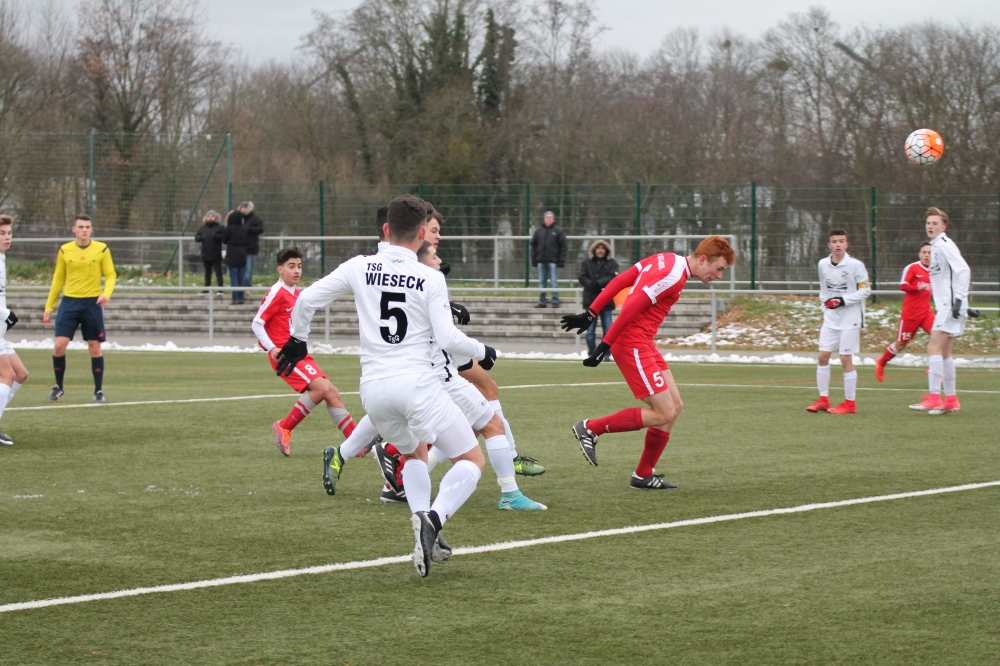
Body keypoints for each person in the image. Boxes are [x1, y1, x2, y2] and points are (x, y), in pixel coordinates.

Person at [279, 194, 496, 577]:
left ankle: (421, 526)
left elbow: (306, 299)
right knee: (472, 460)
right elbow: (448, 338)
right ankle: (434, 520)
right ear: (421, 234)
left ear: (385, 229)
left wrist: (298, 340)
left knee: (414, 455)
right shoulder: (430, 277)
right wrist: (484, 350)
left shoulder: (359, 266)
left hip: (374, 391)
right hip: (418, 385)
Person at [561, 237, 735, 489]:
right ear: (703, 259)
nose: (718, 276)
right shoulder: (673, 277)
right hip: (631, 343)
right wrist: (606, 343)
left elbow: (621, 280)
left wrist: (591, 312)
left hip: (643, 342)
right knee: (664, 412)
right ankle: (591, 428)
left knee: (675, 406)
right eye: (718, 269)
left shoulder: (666, 258)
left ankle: (643, 474)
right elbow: (631, 305)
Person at [424, 206, 545, 476]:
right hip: (431, 358)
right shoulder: (414, 264)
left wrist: (447, 304)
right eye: (434, 230)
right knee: (463, 417)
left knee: (484, 397)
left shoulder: (424, 264)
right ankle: (391, 463)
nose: (438, 236)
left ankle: (510, 460)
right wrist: (481, 350)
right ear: (419, 231)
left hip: (441, 354)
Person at [253, 246, 357, 456]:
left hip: (298, 353)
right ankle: (284, 427)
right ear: (280, 269)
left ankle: (357, 441)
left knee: (331, 392)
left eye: (299, 266)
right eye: (291, 266)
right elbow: (257, 323)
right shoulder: (277, 293)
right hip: (285, 356)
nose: (296, 271)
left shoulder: (297, 294)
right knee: (320, 389)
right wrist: (272, 348)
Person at [43, 214, 116, 404]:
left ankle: (98, 391)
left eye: (87, 227)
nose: (84, 230)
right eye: (81, 227)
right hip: (70, 303)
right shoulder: (65, 250)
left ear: (91, 230)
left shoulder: (102, 249)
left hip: (92, 303)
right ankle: (58, 387)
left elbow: (110, 274)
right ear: (74, 230)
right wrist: (49, 306)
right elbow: (58, 279)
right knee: (59, 345)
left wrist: (106, 293)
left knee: (94, 346)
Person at [909, 207, 971, 415]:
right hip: (949, 304)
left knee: (933, 348)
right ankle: (951, 400)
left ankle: (934, 398)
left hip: (949, 306)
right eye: (928, 223)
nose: (930, 226)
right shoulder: (935, 246)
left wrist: (959, 300)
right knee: (944, 353)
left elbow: (963, 270)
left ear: (943, 227)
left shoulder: (944, 244)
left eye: (935, 223)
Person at [805, 229, 871, 415]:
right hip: (831, 319)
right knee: (822, 356)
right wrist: (825, 305)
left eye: (841, 241)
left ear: (847, 244)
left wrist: (842, 301)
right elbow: (824, 289)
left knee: (845, 358)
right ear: (829, 245)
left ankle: (850, 404)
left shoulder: (856, 265)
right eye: (834, 241)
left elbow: (865, 290)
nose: (838, 244)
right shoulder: (822, 264)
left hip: (850, 318)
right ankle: (823, 400)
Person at [874, 242, 934, 382]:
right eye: (924, 252)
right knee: (901, 344)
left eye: (930, 253)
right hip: (910, 314)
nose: (927, 255)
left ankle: (933, 368)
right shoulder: (912, 268)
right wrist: (917, 288)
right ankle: (881, 362)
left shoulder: (935, 270)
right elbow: (903, 285)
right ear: (919, 254)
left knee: (939, 336)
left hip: (926, 312)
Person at [0, 215, 29, 445]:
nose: (7, 237)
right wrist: (5, 313)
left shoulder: (2, 258)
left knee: (20, 374)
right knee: (7, 375)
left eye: (9, 233)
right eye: (2, 233)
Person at [578, 239, 619, 356]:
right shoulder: (586, 263)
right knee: (590, 331)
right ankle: (592, 353)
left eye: (602, 248)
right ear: (594, 249)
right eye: (598, 248)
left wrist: (598, 283)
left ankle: (606, 353)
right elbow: (581, 277)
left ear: (606, 250)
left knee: (608, 330)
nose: (600, 250)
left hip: (606, 301)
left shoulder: (612, 263)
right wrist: (592, 285)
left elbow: (613, 277)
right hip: (591, 301)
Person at [530, 211, 567, 308]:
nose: (549, 219)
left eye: (550, 217)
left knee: (553, 282)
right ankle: (542, 301)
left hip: (553, 261)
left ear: (553, 219)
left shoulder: (558, 231)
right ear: (544, 218)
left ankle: (555, 300)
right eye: (547, 217)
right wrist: (533, 259)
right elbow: (533, 246)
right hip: (541, 260)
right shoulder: (538, 231)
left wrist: (561, 260)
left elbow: (563, 247)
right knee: (542, 282)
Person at [223, 209, 249, 303]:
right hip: (242, 254)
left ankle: (235, 298)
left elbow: (224, 240)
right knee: (241, 277)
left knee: (234, 277)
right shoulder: (244, 229)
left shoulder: (229, 229)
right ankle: (241, 297)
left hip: (232, 253)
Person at [194, 210, 224, 291]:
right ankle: (206, 288)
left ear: (215, 217)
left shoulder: (220, 227)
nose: (210, 218)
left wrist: (216, 236)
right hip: (206, 253)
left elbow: (223, 237)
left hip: (216, 254)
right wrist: (201, 237)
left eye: (212, 216)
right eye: (209, 216)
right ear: (206, 218)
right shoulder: (203, 228)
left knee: (218, 272)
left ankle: (220, 289)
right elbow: (197, 237)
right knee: (207, 272)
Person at [242, 202, 265, 287]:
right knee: (241, 268)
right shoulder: (239, 218)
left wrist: (249, 229)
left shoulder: (255, 218)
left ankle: (247, 285)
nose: (242, 209)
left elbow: (261, 229)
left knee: (248, 268)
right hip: (240, 247)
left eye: (244, 207)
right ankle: (241, 285)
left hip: (250, 247)